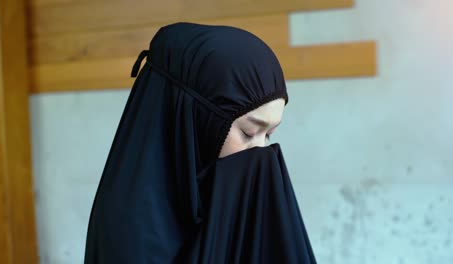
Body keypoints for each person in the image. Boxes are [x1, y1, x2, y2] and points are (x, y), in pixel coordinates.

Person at [84, 22, 317, 263]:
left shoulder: (235, 197)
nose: (260, 151)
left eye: (268, 135)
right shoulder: (130, 233)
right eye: (249, 133)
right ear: (194, 122)